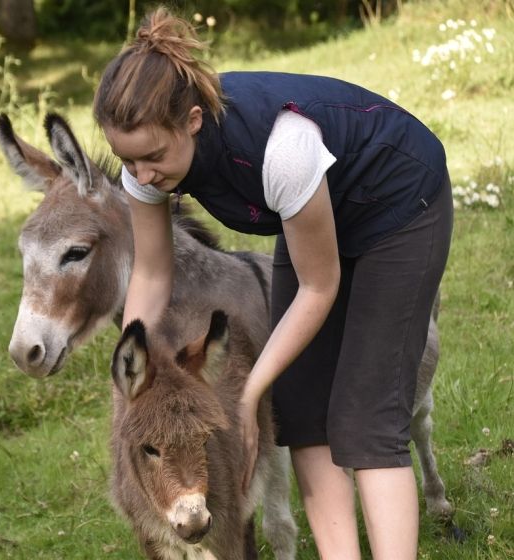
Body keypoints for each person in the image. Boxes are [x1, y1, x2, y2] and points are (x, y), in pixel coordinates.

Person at [93, 8, 453, 560]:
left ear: (191, 121)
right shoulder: (146, 165)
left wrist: (250, 392)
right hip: (313, 215)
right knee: (303, 412)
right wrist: (135, 391)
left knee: (368, 417)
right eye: (128, 160)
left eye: (153, 158)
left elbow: (318, 286)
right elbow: (150, 274)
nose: (142, 176)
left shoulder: (282, 147)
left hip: (398, 205)